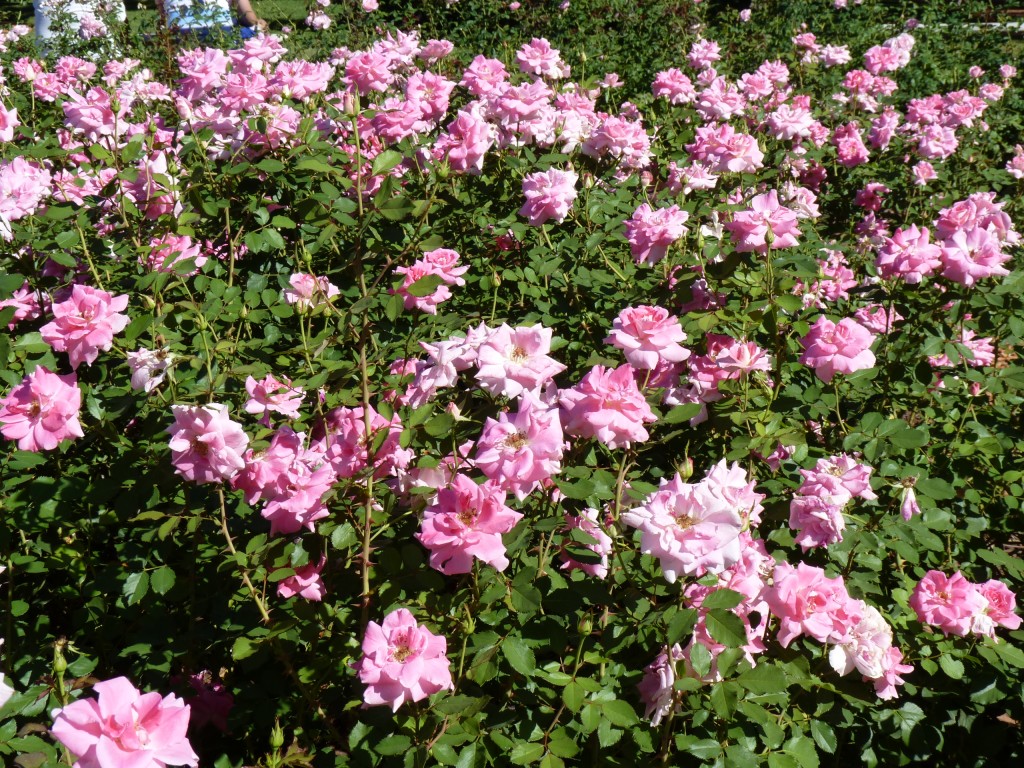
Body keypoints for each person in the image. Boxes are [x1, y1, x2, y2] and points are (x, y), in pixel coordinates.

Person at [161, 0, 267, 40]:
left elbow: (164, 17)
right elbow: (247, 16)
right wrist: (258, 24)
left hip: (178, 37)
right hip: (221, 35)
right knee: (254, 30)